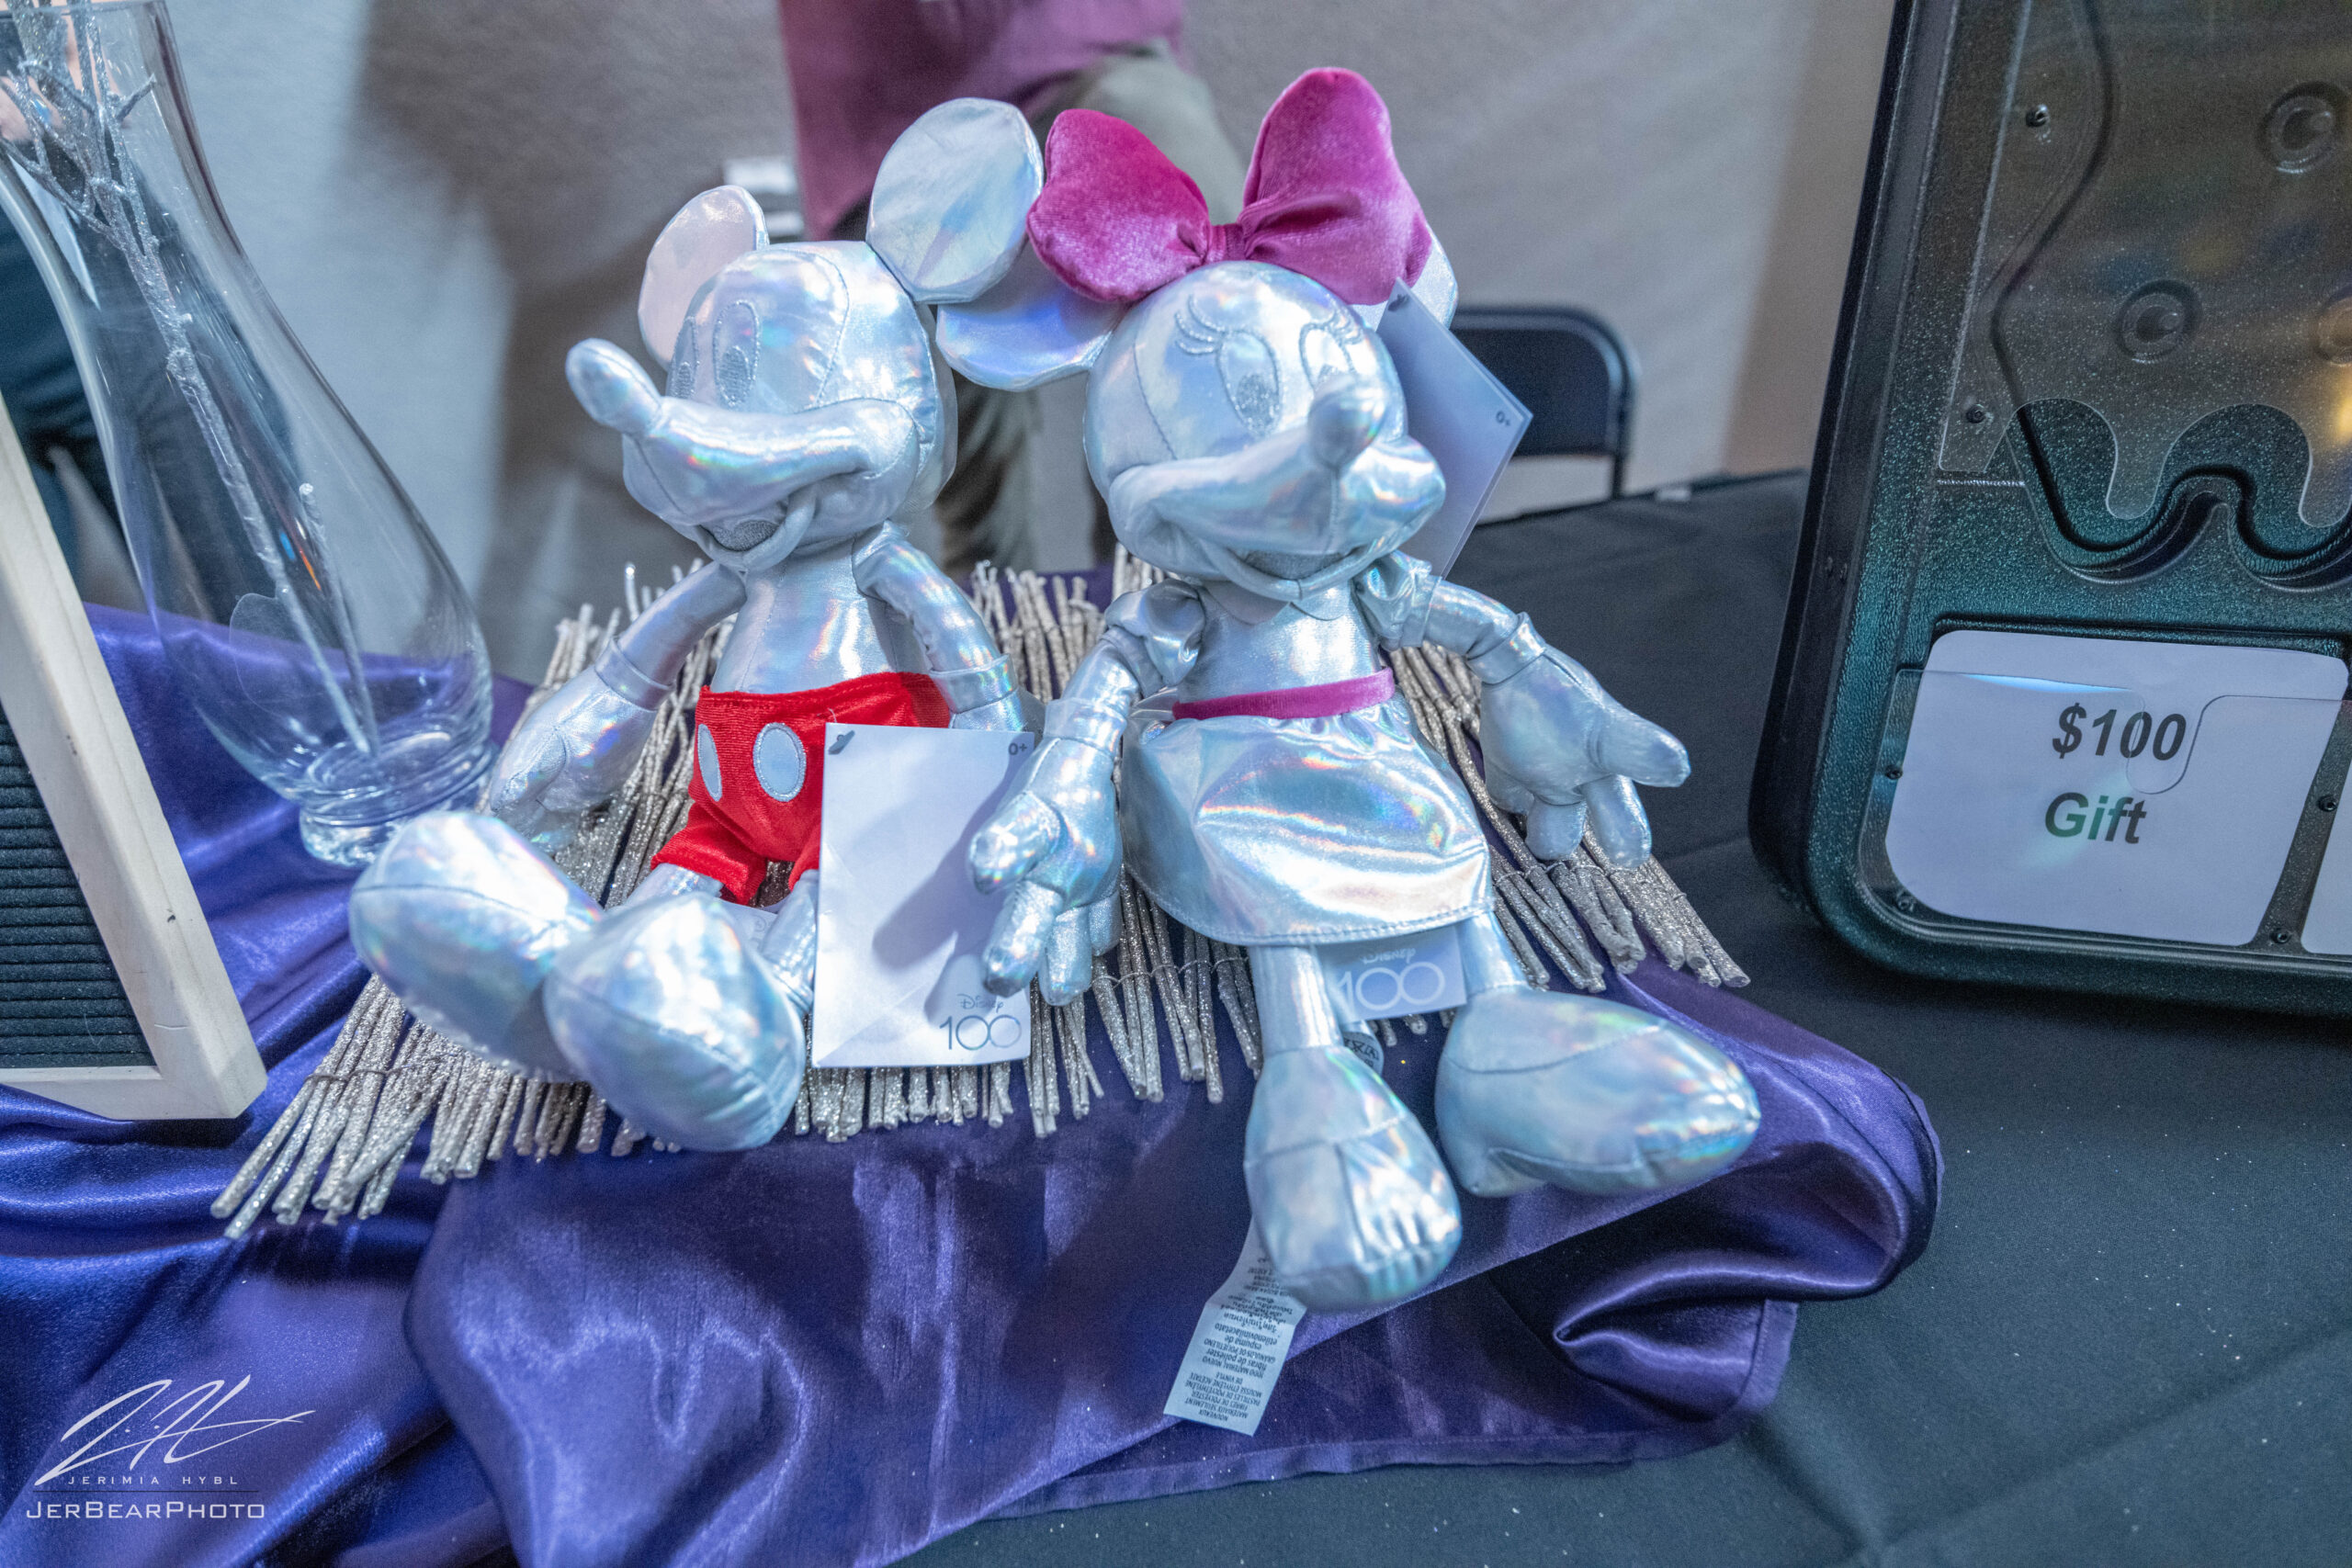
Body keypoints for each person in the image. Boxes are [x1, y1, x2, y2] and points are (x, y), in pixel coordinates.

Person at [775, 0, 1246, 571]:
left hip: (1098, 44)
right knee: (981, 526)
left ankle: (1167, 579)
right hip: (899, 105)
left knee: (1207, 313)